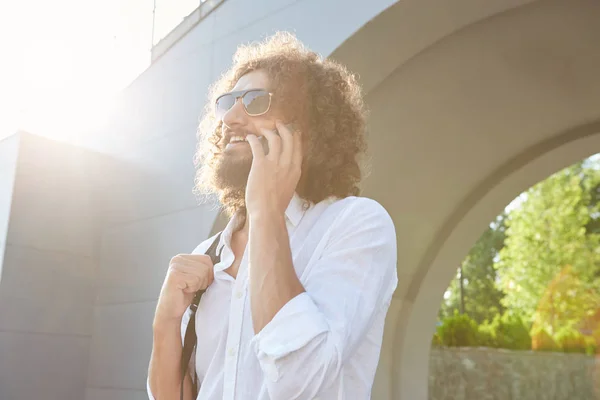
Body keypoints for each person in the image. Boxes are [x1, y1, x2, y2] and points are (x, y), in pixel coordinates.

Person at [148, 31, 398, 400]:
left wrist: (267, 210)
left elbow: (301, 378)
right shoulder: (209, 253)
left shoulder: (357, 225)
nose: (231, 116)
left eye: (254, 101)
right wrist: (165, 320)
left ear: (307, 126)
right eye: (229, 101)